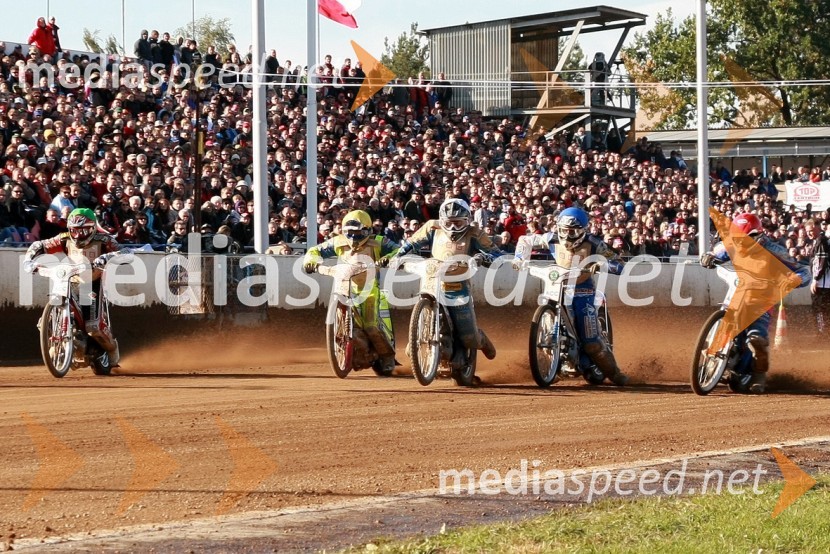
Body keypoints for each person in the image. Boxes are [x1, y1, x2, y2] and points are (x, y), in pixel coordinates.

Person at [512, 207, 630, 386]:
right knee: (546, 315)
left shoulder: (594, 243)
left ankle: (614, 373)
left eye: (572, 231)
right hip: (557, 285)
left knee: (591, 341)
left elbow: (619, 264)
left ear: (582, 231)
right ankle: (554, 363)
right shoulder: (551, 238)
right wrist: (520, 258)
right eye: (564, 230)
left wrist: (601, 264)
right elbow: (525, 240)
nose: (567, 235)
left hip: (583, 290)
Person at [699, 213, 810, 394]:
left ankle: (759, 375)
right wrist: (709, 257)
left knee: (756, 339)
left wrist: (795, 279)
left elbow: (804, 271)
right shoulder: (732, 245)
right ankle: (712, 353)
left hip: (762, 299)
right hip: (738, 291)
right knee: (726, 318)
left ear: (758, 235)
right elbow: (717, 253)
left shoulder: (775, 250)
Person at [393, 199, 502, 361]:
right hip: (432, 280)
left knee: (469, 337)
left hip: (458, 285)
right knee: (410, 350)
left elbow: (497, 254)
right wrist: (398, 257)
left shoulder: (475, 233)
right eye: (448, 223)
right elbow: (411, 243)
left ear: (467, 220)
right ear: (441, 220)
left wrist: (483, 257)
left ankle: (482, 340)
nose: (452, 228)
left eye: (458, 223)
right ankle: (419, 337)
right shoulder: (432, 227)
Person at [23, 208, 129, 365]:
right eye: (74, 230)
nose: (78, 235)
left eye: (83, 230)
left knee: (93, 327)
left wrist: (107, 257)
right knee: (44, 323)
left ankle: (112, 349)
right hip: (70, 279)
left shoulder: (104, 239)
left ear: (93, 228)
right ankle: (60, 341)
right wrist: (29, 261)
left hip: (93, 283)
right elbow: (40, 244)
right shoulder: (64, 238)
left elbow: (126, 252)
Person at [302, 210, 400, 374]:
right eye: (350, 232)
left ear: (368, 230)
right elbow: (315, 251)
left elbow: (398, 250)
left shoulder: (379, 241)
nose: (354, 237)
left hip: (369, 289)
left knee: (371, 326)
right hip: (344, 286)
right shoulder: (338, 241)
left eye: (358, 232)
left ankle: (387, 356)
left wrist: (387, 258)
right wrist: (312, 262)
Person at [806, 219, 830, 335]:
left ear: (817, 228)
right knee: (824, 311)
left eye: (811, 230)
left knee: (819, 310)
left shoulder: (820, 240)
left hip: (822, 283)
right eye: (807, 231)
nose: (808, 233)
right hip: (824, 283)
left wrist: (815, 280)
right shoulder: (820, 241)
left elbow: (821, 261)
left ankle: (822, 335)